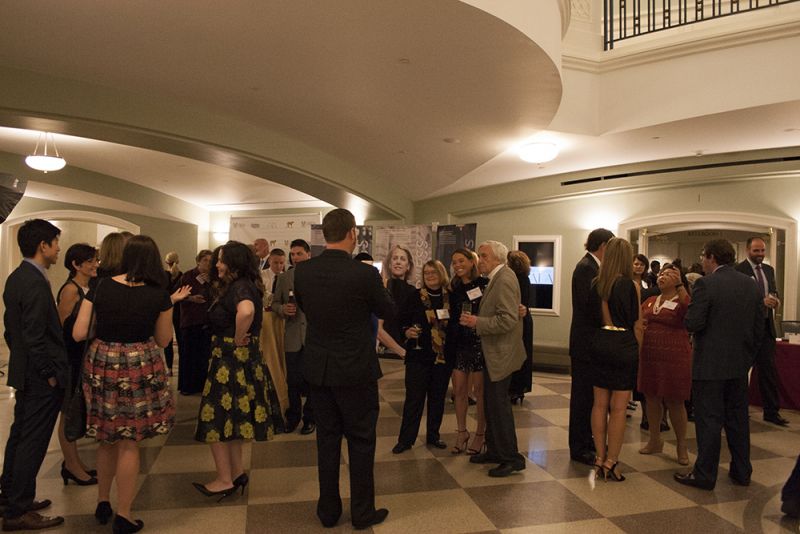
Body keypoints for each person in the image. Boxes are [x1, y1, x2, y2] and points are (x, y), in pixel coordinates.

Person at [74, 235, 189, 533]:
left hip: (103, 361)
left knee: (106, 436)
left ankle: (102, 501)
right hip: (140, 363)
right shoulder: (158, 294)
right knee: (128, 443)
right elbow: (164, 340)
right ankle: (123, 514)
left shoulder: (99, 286)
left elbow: (78, 332)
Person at [294, 208, 394, 530]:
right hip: (355, 370)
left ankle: (328, 511)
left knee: (327, 439)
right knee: (362, 440)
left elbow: (308, 309)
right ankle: (362, 513)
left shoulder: (303, 271)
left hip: (319, 368)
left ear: (325, 234)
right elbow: (386, 309)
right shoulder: (364, 274)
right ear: (353, 233)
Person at [193, 242, 283, 500]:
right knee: (233, 420)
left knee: (216, 420)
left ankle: (224, 479)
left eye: (221, 260)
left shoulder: (239, 286)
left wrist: (236, 335)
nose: (217, 265)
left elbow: (247, 311)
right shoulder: (246, 283)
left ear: (233, 263)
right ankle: (235, 473)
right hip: (241, 359)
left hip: (230, 360)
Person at [674, 239, 762, 490]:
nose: (702, 261)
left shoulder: (706, 284)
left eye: (703, 256)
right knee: (738, 420)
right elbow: (759, 328)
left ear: (712, 257)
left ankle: (705, 474)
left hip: (710, 366)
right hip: (738, 366)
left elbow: (693, 323)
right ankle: (742, 471)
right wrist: (747, 358)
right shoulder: (751, 285)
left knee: (709, 421)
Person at [1, 219, 69, 531]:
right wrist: (48, 373)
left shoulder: (18, 276)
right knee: (33, 440)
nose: (58, 249)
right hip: (39, 376)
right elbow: (33, 335)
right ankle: (18, 510)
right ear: (43, 245)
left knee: (20, 436)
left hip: (25, 371)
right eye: (55, 243)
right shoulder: (32, 280)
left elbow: (11, 332)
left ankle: (11, 499)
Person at [460, 241, 526, 477]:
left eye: (484, 256)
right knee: (491, 403)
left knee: (499, 407)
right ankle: (495, 450)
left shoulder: (505, 278)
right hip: (495, 352)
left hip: (501, 353)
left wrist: (477, 322)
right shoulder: (498, 277)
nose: (480, 259)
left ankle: (511, 458)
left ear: (498, 258)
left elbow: (507, 320)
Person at [588, 237, 639, 482]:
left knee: (599, 404)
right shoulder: (629, 285)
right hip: (622, 344)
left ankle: (598, 457)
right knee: (618, 408)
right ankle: (612, 461)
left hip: (600, 341)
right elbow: (633, 321)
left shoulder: (597, 283)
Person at [392, 260, 452, 453]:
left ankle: (433, 436)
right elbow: (400, 321)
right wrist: (406, 332)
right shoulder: (415, 296)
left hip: (442, 359)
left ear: (441, 273)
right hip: (418, 357)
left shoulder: (450, 298)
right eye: (426, 272)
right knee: (414, 400)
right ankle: (405, 440)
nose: (430, 275)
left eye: (434, 272)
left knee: (437, 399)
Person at [637, 264, 692, 465]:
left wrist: (680, 286)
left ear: (678, 280)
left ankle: (681, 446)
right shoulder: (651, 300)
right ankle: (654, 439)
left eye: (669, 274)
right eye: (661, 273)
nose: (662, 277)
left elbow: (689, 312)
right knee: (651, 397)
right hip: (651, 356)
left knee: (675, 401)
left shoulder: (682, 300)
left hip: (674, 358)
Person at [568, 228, 614, 466]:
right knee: (583, 397)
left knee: (589, 396)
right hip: (585, 343)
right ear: (604, 245)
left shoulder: (593, 267)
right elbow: (590, 306)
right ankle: (580, 446)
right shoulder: (587, 268)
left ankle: (587, 441)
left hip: (590, 342)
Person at [55, 243, 99, 486]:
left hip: (82, 357)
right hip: (71, 359)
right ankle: (71, 465)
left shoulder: (87, 287)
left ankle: (75, 462)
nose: (95, 265)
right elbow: (63, 329)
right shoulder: (71, 291)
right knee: (68, 413)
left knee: (76, 410)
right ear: (76, 265)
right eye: (90, 261)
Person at [735, 237, 788, 426]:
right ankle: (739, 410)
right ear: (748, 250)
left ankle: (771, 412)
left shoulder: (768, 270)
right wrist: (760, 302)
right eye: (756, 251)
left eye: (762, 251)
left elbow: (773, 291)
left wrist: (775, 300)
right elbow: (737, 301)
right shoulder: (738, 270)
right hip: (747, 330)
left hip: (766, 328)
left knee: (768, 371)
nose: (760, 254)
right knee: (741, 372)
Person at [446, 248, 488, 456]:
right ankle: (461, 432)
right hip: (459, 343)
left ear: (472, 262)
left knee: (480, 393)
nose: (457, 265)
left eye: (461, 261)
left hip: (479, 343)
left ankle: (481, 433)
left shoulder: (485, 284)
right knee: (459, 391)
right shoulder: (453, 287)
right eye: (454, 262)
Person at [272, 239, 315, 434]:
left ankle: (310, 418)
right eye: (293, 254)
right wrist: (282, 308)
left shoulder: (318, 276)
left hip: (313, 337)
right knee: (293, 381)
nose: (295, 257)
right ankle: (293, 417)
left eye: (299, 253)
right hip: (292, 337)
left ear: (308, 254)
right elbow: (274, 304)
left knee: (313, 381)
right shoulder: (284, 278)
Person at [177, 250, 214, 395]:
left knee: (203, 356)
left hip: (206, 321)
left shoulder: (213, 278)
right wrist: (191, 298)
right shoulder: (187, 276)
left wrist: (211, 282)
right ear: (198, 261)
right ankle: (187, 386)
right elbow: (177, 295)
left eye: (210, 261)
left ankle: (201, 385)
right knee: (188, 355)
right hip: (190, 320)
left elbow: (218, 295)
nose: (208, 263)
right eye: (205, 260)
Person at [507, 250, 534, 405]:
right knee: (524, 355)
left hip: (519, 320)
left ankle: (515, 388)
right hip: (526, 320)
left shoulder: (515, 280)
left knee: (518, 355)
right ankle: (520, 389)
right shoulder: (526, 278)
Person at [163, 251, 183, 375]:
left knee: (167, 340)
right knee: (181, 340)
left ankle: (169, 369)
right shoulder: (182, 276)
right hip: (179, 310)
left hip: (167, 309)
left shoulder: (163, 276)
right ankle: (182, 367)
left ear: (166, 262)